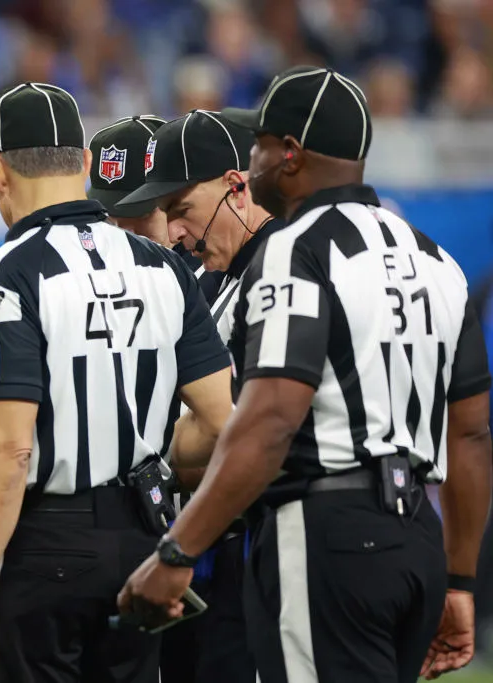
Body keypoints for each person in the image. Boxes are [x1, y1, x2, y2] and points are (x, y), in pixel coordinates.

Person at [119, 66, 493, 683]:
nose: (253, 156)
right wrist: (458, 579)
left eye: (261, 144)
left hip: (326, 532)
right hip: (417, 541)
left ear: (288, 155)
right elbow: (473, 434)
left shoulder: (296, 248)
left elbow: (268, 421)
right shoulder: (435, 258)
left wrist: (178, 550)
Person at [0, 82, 235, 683]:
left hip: (48, 541)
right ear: (82, 162)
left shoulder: (9, 272)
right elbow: (224, 419)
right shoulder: (162, 265)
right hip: (143, 535)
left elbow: (7, 448)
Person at [117, 108, 279, 683]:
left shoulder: (285, 274)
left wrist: (140, 461)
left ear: (236, 187)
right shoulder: (212, 278)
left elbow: (238, 429)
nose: (176, 232)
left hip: (254, 548)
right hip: (202, 551)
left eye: (181, 210)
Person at [87, 115, 224, 302]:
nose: (124, 231)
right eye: (109, 217)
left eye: (140, 213)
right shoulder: (88, 274)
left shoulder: (212, 274)